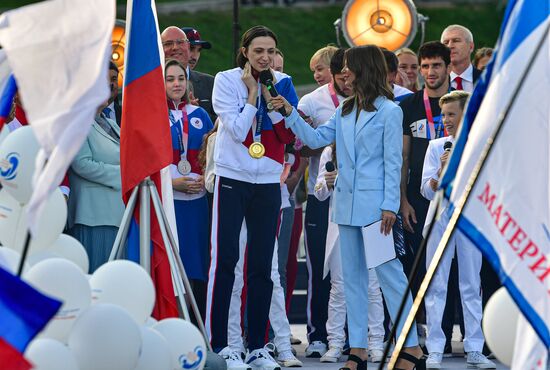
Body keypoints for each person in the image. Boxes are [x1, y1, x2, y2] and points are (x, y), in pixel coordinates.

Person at [271, 45, 424, 370]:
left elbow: (393, 162)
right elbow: (313, 139)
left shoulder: (390, 111)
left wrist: (389, 206)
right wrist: (289, 112)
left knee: (390, 276)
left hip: (377, 210)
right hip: (345, 207)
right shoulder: (344, 110)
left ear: (364, 70)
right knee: (352, 279)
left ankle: (411, 348)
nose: (344, 74)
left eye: (349, 69)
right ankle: (358, 351)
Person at [206, 25, 298, 370]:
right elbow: (238, 130)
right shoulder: (227, 80)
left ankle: (257, 346)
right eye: (258, 50)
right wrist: (249, 94)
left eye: (270, 51)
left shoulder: (282, 81)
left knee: (262, 267)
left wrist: (276, 104)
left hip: (268, 182)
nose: (265, 57)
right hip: (233, 178)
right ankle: (223, 346)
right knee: (226, 261)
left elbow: (289, 135)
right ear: (245, 51)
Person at [421, 91, 495, 369]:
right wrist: (440, 173)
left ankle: (474, 347)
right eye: (444, 115)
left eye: (452, 114)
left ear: (466, 114)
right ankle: (435, 349)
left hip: (469, 221)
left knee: (471, 284)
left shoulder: (480, 146)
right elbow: (425, 190)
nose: (446, 120)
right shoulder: (436, 146)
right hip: (439, 219)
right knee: (436, 284)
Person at [297, 45, 340, 359]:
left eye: (321, 69)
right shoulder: (310, 102)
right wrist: (325, 142)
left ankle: (350, 333)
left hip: (352, 195)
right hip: (319, 194)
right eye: (313, 71)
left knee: (349, 269)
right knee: (318, 268)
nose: (316, 75)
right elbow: (300, 148)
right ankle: (317, 334)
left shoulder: (359, 100)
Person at [164, 58, 213, 318]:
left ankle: (197, 325)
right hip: (169, 202)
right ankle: (173, 319)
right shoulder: (154, 115)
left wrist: (205, 177)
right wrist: (171, 183)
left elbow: (210, 154)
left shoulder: (200, 115)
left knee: (196, 265)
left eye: (181, 79)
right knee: (173, 264)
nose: (176, 84)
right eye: (170, 79)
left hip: (196, 201)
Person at [67, 101, 123, 273]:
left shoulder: (110, 122)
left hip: (116, 212)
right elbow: (81, 164)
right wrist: (123, 174)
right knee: (98, 275)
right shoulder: (77, 123)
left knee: (114, 275)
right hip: (93, 215)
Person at [161, 26, 216, 122]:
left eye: (199, 50)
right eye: (169, 43)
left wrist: (196, 113)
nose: (175, 47)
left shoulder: (211, 83)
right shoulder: (149, 82)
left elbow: (222, 124)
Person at [441, 25, 481, 92]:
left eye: (456, 41)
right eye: (446, 42)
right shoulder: (435, 83)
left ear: (471, 47)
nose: (450, 46)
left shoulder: (488, 79)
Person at [102, 61, 121, 126]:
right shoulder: (86, 116)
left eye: (114, 79)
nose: (110, 84)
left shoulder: (127, 114)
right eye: (105, 79)